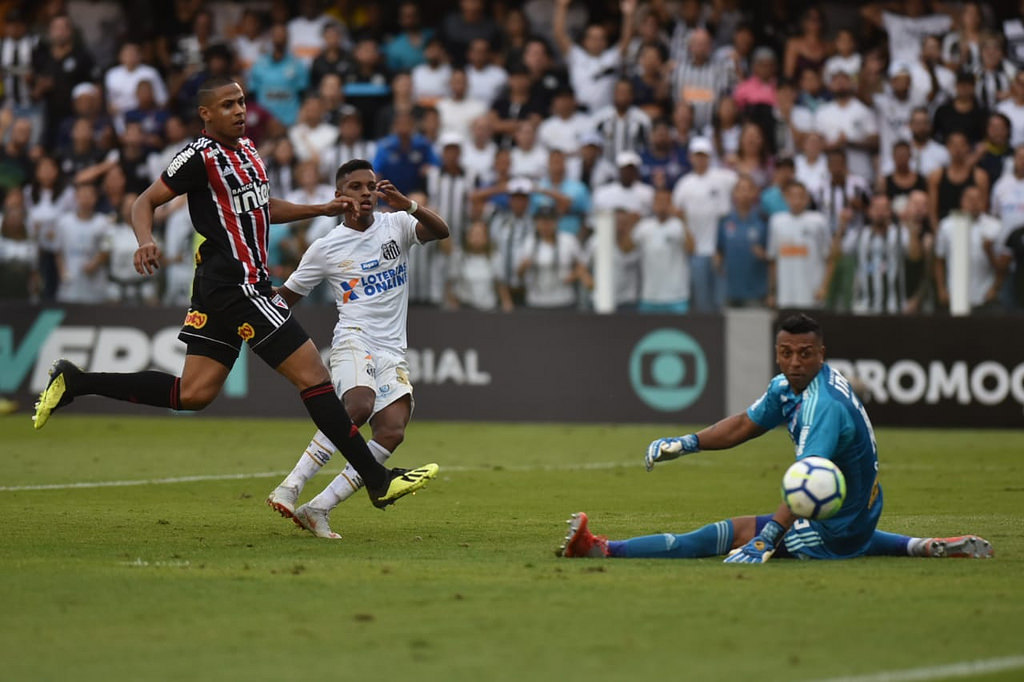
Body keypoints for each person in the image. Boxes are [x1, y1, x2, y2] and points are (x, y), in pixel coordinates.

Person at [33, 76, 438, 512]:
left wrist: (319, 208)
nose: (240, 110)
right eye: (228, 104)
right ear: (206, 114)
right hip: (239, 286)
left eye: (242, 101)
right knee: (316, 379)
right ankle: (377, 481)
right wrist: (144, 239)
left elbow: (263, 209)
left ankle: (76, 381)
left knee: (194, 393)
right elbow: (143, 202)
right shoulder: (198, 156)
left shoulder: (248, 152)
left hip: (221, 288)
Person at [559, 313, 993, 562]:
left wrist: (768, 539)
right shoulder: (787, 387)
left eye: (805, 354)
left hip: (835, 525)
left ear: (821, 354)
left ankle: (602, 549)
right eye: (785, 353)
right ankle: (921, 547)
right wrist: (688, 442)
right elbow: (745, 425)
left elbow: (806, 482)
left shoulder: (823, 408)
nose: (794, 362)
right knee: (819, 529)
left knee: (728, 533)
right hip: (859, 508)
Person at [266, 159, 449, 538]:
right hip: (354, 339)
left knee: (392, 430)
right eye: (355, 187)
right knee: (359, 406)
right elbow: (287, 297)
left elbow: (441, 231)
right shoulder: (326, 248)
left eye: (370, 186)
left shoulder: (395, 224)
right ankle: (290, 486)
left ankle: (319, 508)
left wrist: (408, 204)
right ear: (339, 196)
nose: (365, 193)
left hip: (392, 350)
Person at [934, 185, 1004, 313]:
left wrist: (995, 288)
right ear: (961, 201)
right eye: (969, 199)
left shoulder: (995, 227)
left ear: (984, 202)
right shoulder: (946, 226)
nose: (974, 203)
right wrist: (941, 290)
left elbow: (1003, 266)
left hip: (984, 296)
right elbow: (939, 260)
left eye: (978, 199)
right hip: (955, 296)